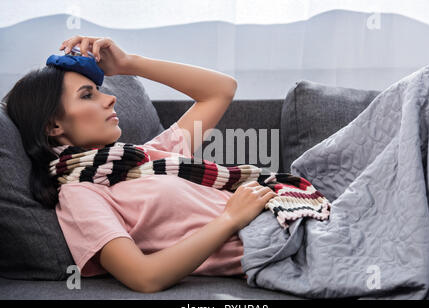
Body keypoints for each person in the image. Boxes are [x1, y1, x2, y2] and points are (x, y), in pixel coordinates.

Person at [3, 35, 278, 293]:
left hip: (287, 210)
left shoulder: (150, 156)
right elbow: (144, 276)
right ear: (53, 125)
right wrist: (230, 219)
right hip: (274, 241)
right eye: (88, 95)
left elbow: (221, 90)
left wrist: (127, 63)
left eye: (99, 91)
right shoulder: (80, 193)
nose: (111, 98)